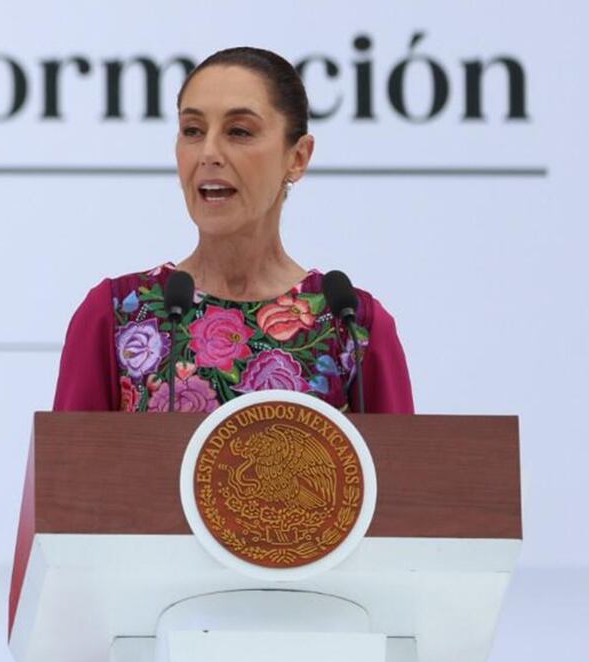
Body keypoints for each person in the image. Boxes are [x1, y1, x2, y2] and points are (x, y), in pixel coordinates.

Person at [52, 47, 413, 414]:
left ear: (298, 157)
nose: (208, 153)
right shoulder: (118, 314)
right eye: (192, 131)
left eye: (239, 131)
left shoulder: (350, 325)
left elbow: (402, 470)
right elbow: (68, 469)